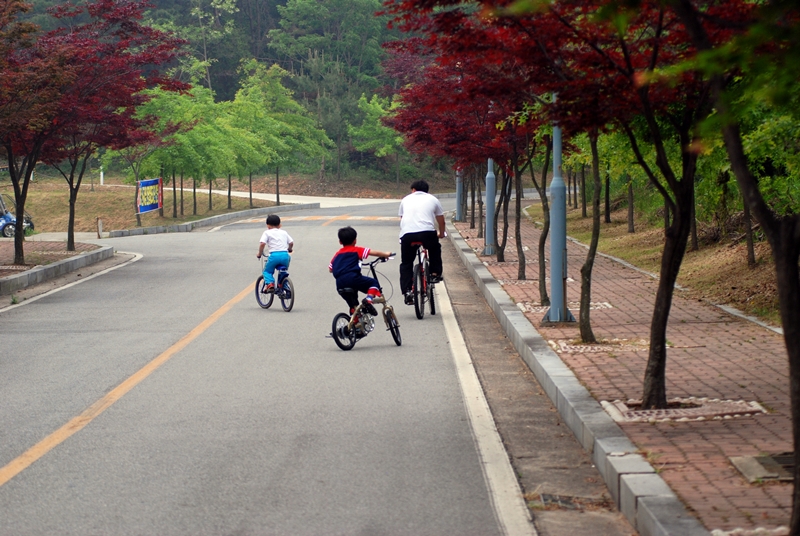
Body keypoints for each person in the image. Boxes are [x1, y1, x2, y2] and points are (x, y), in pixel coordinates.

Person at [398, 179, 445, 305]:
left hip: (407, 234)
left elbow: (402, 220)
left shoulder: (405, 199)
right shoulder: (433, 199)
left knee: (406, 263)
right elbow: (441, 220)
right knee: (435, 248)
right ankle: (435, 273)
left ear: (413, 190)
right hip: (427, 233)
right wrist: (441, 233)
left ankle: (407, 291)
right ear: (427, 191)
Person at [329, 226, 392, 316]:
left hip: (339, 283)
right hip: (353, 278)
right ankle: (369, 299)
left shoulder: (337, 254)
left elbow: (330, 269)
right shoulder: (357, 250)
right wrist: (386, 254)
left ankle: (354, 324)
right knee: (373, 283)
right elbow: (375, 253)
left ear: (340, 242)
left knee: (353, 305)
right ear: (355, 240)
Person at [256, 214, 293, 293]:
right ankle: (283, 284)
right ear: (280, 225)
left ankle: (270, 284)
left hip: (274, 256)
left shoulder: (267, 232)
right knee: (283, 270)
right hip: (285, 256)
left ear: (268, 226)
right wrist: (289, 249)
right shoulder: (284, 232)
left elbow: (262, 243)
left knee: (267, 271)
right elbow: (291, 242)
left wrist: (259, 253)